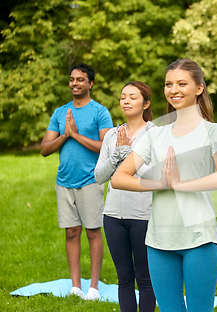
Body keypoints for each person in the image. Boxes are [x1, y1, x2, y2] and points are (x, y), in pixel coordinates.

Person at [111, 58, 217, 312]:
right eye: (169, 84)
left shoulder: (214, 131)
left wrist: (180, 184)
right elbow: (119, 177)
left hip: (199, 240)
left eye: (181, 83)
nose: (173, 90)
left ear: (199, 88)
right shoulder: (155, 133)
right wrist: (159, 183)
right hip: (158, 241)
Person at [41, 63, 113, 300]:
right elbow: (44, 149)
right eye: (72, 79)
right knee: (71, 232)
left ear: (90, 84)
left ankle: (93, 287)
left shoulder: (100, 112)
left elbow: (106, 147)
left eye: (80, 79)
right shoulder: (60, 113)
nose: (75, 83)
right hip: (64, 181)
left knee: (93, 231)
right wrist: (65, 135)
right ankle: (75, 286)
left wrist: (76, 135)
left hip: (91, 180)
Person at [94, 81, 156, 311]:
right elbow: (99, 176)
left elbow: (156, 177)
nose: (126, 101)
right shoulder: (112, 135)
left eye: (132, 97)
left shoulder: (155, 134)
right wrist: (115, 157)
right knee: (124, 279)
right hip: (112, 216)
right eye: (123, 97)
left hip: (143, 215)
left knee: (146, 279)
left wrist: (129, 155)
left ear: (146, 103)